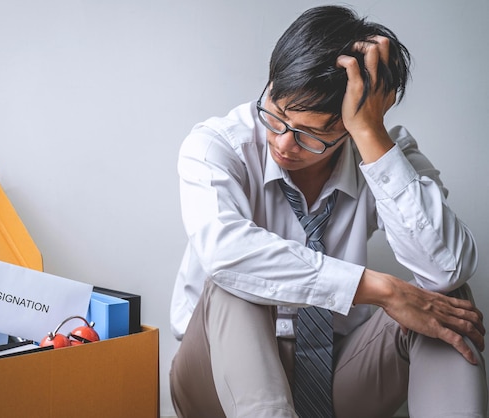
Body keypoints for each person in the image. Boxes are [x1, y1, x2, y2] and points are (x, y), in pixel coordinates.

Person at [169, 5, 487, 418]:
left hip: (337, 376)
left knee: (445, 301)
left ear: (350, 126)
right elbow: (224, 253)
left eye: (312, 135)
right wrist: (382, 289)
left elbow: (447, 267)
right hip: (215, 375)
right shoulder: (217, 146)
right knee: (236, 277)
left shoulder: (382, 150)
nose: (283, 144)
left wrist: (372, 136)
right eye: (277, 115)